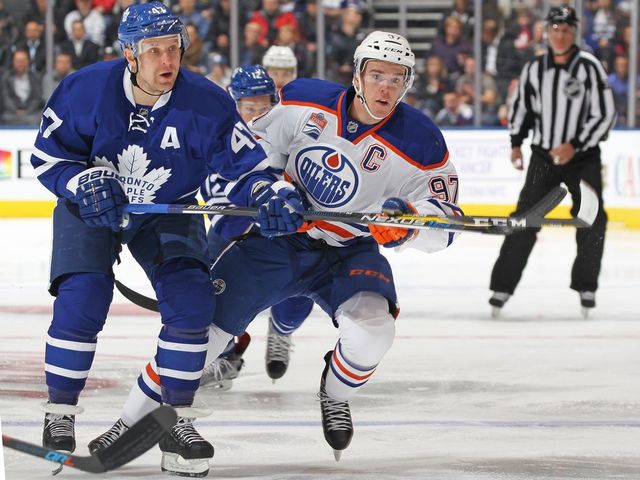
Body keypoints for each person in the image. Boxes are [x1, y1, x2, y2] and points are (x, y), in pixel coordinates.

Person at [92, 30, 462, 463]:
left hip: (348, 251)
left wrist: (410, 225)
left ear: (409, 83)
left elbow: (448, 218)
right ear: (358, 73)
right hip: (278, 241)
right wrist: (270, 192)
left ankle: (334, 393)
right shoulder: (305, 99)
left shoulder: (423, 140)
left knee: (374, 331)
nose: (386, 86)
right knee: (200, 337)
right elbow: (252, 152)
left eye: (397, 78)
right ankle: (128, 421)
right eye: (377, 74)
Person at [30, 3, 277, 477]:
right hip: (93, 206)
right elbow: (47, 157)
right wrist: (78, 183)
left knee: (191, 303)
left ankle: (174, 422)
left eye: (174, 48)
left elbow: (244, 171)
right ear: (129, 54)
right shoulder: (84, 89)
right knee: (83, 297)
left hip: (168, 210)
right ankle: (60, 412)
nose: (168, 61)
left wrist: (271, 190)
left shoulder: (206, 101)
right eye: (154, 51)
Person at [488, 6, 615, 319]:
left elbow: (605, 114)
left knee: (593, 217)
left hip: (582, 157)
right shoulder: (534, 68)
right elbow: (522, 108)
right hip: (544, 157)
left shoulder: (589, 66)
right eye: (555, 29)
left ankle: (586, 286)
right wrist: (516, 143)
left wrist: (575, 145)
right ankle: (501, 287)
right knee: (524, 219)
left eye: (566, 29)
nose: (560, 35)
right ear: (547, 31)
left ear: (574, 32)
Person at [199, 64, 315, 387]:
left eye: (264, 107)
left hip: (285, 229)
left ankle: (282, 328)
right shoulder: (219, 137)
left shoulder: (289, 133)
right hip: (239, 230)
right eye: (249, 108)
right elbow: (218, 206)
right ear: (233, 105)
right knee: (211, 275)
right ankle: (225, 355)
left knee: (303, 282)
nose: (257, 115)